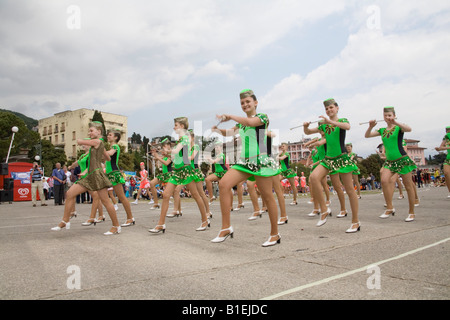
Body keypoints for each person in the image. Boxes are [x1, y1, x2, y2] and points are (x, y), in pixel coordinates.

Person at [210, 89, 282, 247]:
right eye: (242, 103)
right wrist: (217, 130)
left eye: (248, 102)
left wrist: (230, 116)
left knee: (267, 196)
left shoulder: (262, 117)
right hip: (244, 162)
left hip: (261, 161)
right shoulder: (240, 124)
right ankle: (225, 227)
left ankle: (275, 234)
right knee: (224, 184)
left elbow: (250, 122)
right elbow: (229, 133)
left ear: (255, 103)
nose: (245, 104)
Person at [51, 121, 121, 235]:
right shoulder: (99, 144)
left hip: (97, 175)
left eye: (91, 130)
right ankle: (65, 220)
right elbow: (107, 158)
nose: (89, 133)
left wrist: (82, 141)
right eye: (89, 131)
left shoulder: (97, 141)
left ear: (99, 132)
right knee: (69, 194)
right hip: (89, 175)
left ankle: (116, 226)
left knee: (106, 201)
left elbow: (80, 141)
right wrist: (99, 157)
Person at [304, 98, 360, 233]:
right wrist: (305, 127)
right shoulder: (323, 125)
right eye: (327, 109)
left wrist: (330, 121)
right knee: (313, 178)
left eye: (331, 108)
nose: (329, 110)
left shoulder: (342, 121)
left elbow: (348, 127)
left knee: (350, 190)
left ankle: (355, 221)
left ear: (337, 108)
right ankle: (324, 209)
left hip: (342, 158)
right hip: (328, 159)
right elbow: (308, 132)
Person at [148, 117, 209, 233]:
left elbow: (176, 152)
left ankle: (205, 220)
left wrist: (168, 151)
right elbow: (177, 156)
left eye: (176, 125)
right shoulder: (180, 139)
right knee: (166, 195)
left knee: (196, 196)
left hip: (186, 171)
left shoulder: (185, 138)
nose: (174, 127)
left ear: (182, 126)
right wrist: (164, 153)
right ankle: (161, 224)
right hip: (176, 172)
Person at [365, 106, 417, 222]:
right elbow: (367, 135)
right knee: (384, 180)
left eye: (390, 115)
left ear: (394, 116)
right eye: (385, 116)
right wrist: (370, 127)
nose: (387, 117)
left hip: (402, 159)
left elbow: (409, 129)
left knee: (408, 186)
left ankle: (411, 212)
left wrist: (396, 122)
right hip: (390, 162)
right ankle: (389, 207)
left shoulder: (399, 128)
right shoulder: (382, 130)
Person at [106, 129, 136, 227]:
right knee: (99, 195)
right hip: (109, 174)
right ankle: (99, 216)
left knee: (122, 197)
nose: (108, 136)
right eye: (108, 135)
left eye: (110, 135)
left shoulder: (115, 146)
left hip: (114, 174)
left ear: (115, 137)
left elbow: (110, 154)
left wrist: (101, 149)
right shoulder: (110, 147)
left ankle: (130, 218)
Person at [435, 126, 450, 197]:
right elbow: (441, 147)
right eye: (446, 130)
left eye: (448, 130)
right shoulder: (447, 137)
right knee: (446, 173)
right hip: (448, 158)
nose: (447, 131)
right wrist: (438, 149)